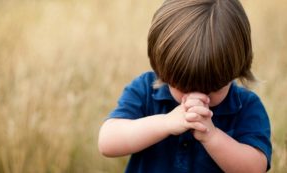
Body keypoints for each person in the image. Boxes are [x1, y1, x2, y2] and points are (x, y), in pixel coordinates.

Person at [98, 0, 272, 172]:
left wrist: (211, 136)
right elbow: (107, 141)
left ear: (237, 68)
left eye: (213, 90)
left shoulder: (246, 107)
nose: (197, 97)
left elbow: (255, 168)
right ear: (163, 70)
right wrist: (165, 123)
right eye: (183, 88)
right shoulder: (146, 90)